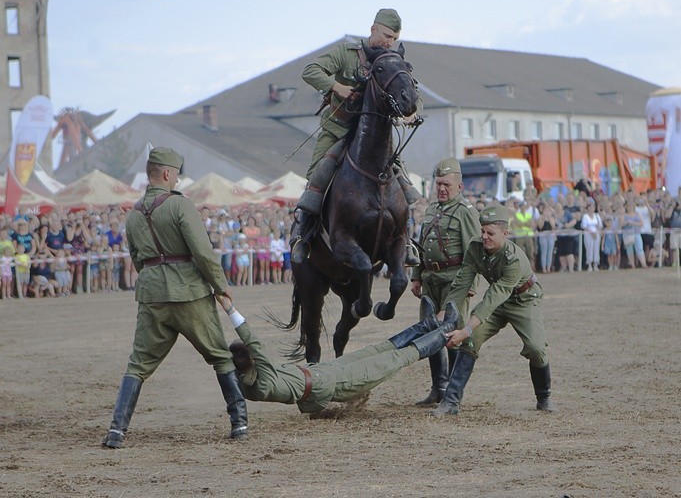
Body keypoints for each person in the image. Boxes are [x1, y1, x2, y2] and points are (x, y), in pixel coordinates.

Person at [101, 147, 248, 449]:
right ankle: (240, 422)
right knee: (220, 356)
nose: (178, 179)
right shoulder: (180, 206)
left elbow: (138, 259)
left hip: (152, 296)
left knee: (138, 365)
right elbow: (202, 252)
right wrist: (220, 286)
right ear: (167, 173)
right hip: (189, 293)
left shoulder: (134, 214)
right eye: (177, 174)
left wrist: (156, 277)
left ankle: (116, 430)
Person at [290, 8, 422, 264]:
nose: (389, 42)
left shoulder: (392, 61)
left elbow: (413, 92)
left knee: (401, 180)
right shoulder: (346, 54)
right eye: (386, 35)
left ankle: (406, 243)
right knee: (318, 174)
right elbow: (311, 70)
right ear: (373, 29)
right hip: (339, 130)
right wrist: (337, 86)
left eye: (394, 38)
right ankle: (302, 238)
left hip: (376, 137)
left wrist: (412, 112)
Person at [218, 292, 459, 414]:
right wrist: (230, 309)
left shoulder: (245, 381)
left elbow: (234, 357)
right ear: (250, 363)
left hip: (320, 372)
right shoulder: (261, 382)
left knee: (381, 348)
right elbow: (254, 342)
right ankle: (447, 328)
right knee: (397, 357)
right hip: (329, 384)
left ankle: (426, 325)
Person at [430, 205, 557, 417]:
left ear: (505, 234)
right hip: (499, 302)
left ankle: (544, 397)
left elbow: (493, 296)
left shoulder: (514, 258)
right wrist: (446, 311)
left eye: (491, 233)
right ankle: (450, 402)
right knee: (471, 343)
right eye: (482, 231)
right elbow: (462, 283)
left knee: (536, 347)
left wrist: (466, 329)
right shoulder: (475, 247)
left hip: (523, 300)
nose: (484, 237)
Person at [410, 158, 481, 405]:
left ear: (459, 187)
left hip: (454, 283)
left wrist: (469, 288)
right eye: (438, 184)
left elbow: (474, 255)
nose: (441, 189)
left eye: (446, 185)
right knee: (430, 333)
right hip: (430, 281)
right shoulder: (431, 210)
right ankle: (438, 388)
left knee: (452, 336)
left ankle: (452, 392)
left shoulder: (466, 213)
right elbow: (422, 246)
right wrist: (416, 276)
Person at [580, 198, 603, 272]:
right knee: (589, 249)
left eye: (592, 206)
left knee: (596, 249)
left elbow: (600, 225)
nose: (591, 208)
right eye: (589, 206)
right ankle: (589, 264)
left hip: (596, 234)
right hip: (588, 235)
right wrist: (591, 232)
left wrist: (596, 231)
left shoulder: (597, 216)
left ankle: (596, 264)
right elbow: (584, 226)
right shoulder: (585, 216)